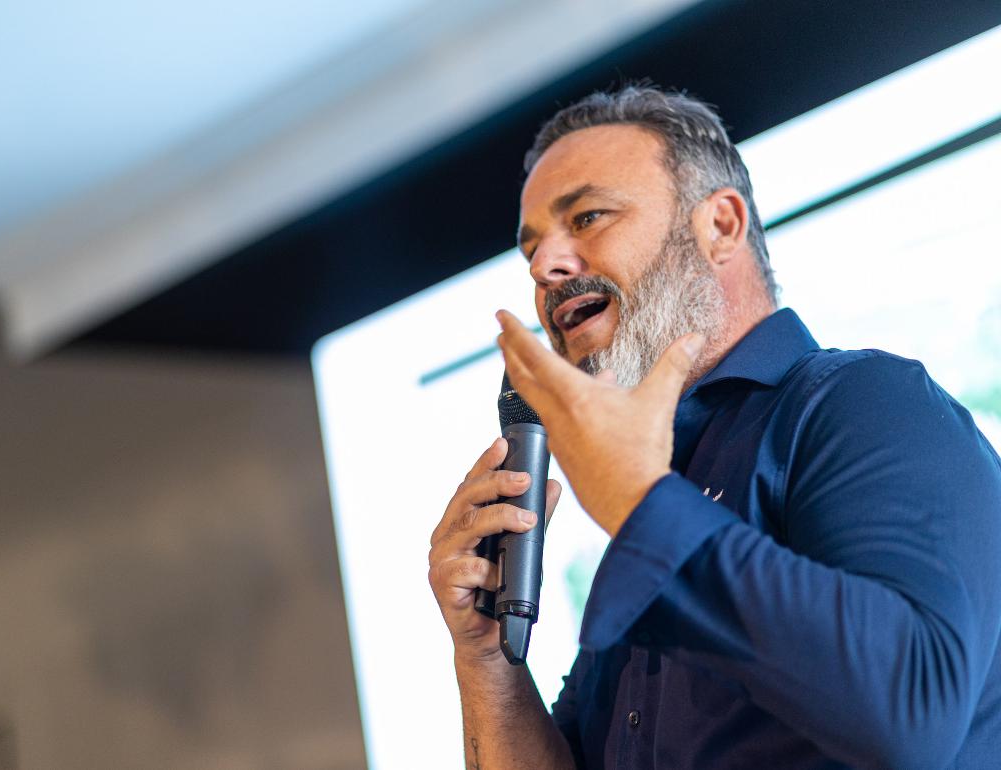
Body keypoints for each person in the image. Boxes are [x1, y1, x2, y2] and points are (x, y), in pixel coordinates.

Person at [426, 85, 1001, 769]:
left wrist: (640, 507)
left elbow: (913, 713)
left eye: (587, 217)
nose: (546, 267)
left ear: (721, 226)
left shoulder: (863, 403)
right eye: (532, 254)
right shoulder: (656, 521)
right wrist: (487, 658)